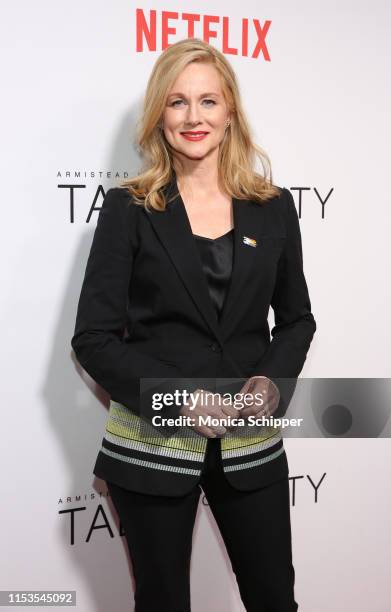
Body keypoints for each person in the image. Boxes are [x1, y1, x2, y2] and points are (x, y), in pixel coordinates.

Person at [71, 37, 316, 612]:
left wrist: (272, 384)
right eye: (178, 102)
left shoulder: (273, 206)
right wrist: (179, 402)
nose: (193, 117)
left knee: (275, 599)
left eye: (208, 101)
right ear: (160, 114)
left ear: (230, 112)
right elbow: (94, 339)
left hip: (250, 446)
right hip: (152, 451)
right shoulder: (128, 208)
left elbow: (298, 320)